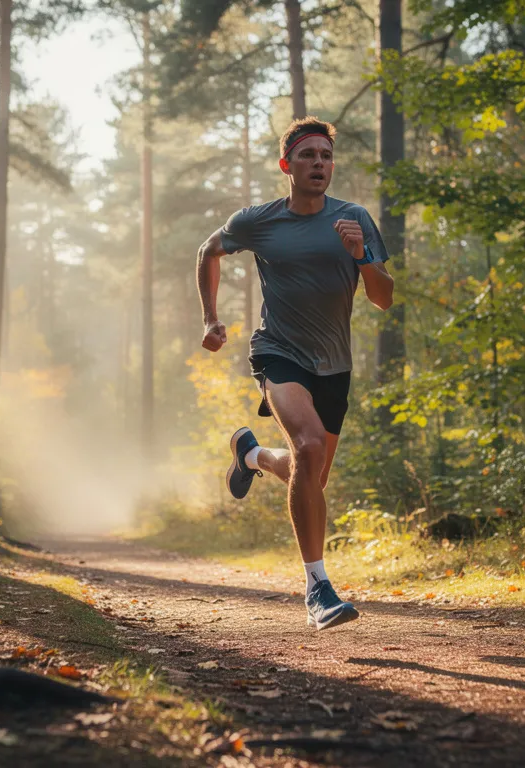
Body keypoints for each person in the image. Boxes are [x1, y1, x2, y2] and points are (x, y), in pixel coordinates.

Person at [194, 116, 395, 630]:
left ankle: (252, 453)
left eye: (326, 157)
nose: (319, 165)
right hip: (278, 352)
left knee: (311, 473)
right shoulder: (257, 221)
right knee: (308, 448)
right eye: (308, 156)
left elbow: (383, 298)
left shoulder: (354, 219)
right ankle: (318, 589)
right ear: (287, 165)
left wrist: (361, 256)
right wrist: (211, 319)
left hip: (335, 364)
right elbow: (207, 252)